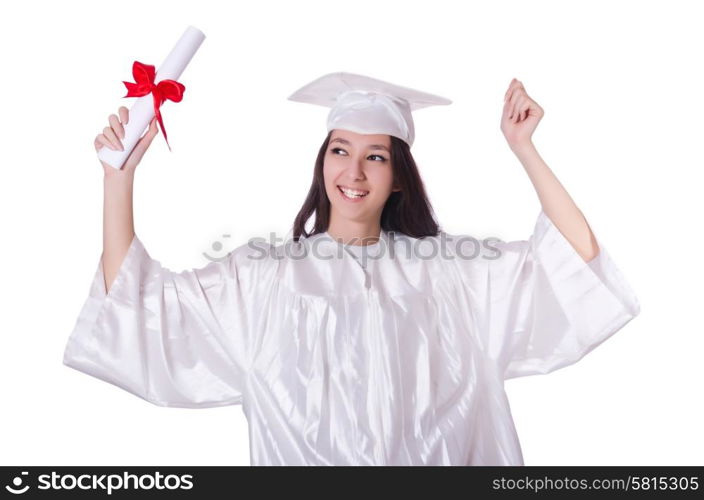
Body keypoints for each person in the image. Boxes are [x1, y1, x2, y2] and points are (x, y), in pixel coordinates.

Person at [63, 72, 640, 466]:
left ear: (397, 176)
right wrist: (118, 179)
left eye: (376, 156)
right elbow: (138, 309)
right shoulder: (266, 277)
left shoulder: (449, 275)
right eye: (340, 149)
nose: (355, 171)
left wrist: (524, 148)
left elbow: (572, 262)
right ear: (322, 163)